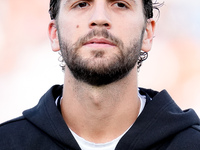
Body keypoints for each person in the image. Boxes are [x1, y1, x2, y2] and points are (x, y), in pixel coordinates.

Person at [0, 0, 200, 149]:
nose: (99, 19)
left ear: (147, 33)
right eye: (81, 4)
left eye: (120, 4)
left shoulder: (191, 144)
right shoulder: (8, 142)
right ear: (54, 34)